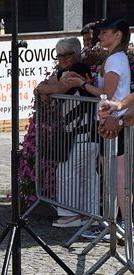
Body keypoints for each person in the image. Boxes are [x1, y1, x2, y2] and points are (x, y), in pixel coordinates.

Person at [65, 18, 131, 240]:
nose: (100, 35)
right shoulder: (113, 58)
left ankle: (125, 226)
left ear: (118, 35)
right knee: (112, 178)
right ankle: (114, 224)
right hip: (109, 123)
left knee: (118, 179)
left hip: (114, 124)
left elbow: (107, 95)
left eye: (105, 32)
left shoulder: (115, 60)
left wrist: (81, 85)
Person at [34, 38, 96, 228]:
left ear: (75, 54)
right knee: (87, 174)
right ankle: (88, 214)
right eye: (58, 55)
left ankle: (70, 214)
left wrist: (44, 89)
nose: (61, 59)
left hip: (84, 132)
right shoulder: (64, 71)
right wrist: (44, 89)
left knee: (67, 171)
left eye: (65, 55)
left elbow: (57, 88)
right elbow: (47, 89)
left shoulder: (78, 70)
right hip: (79, 133)